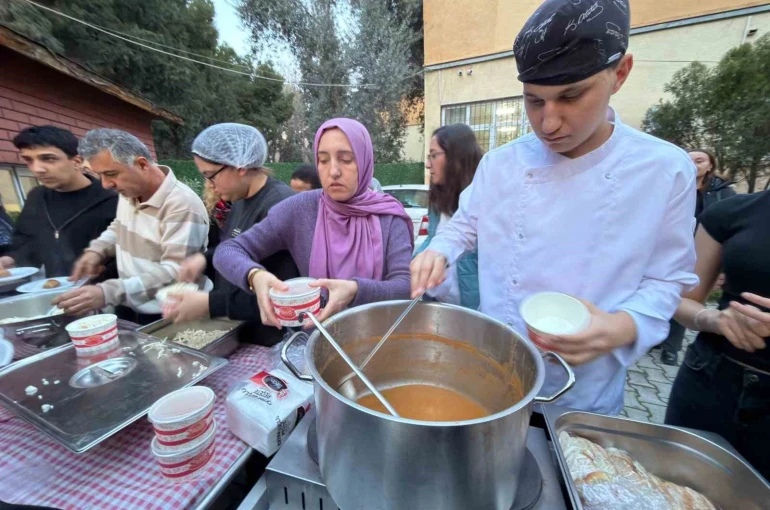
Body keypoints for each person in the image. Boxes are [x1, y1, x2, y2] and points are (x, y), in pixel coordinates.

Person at [410, 0, 698, 415]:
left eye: (570, 96)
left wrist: (623, 326)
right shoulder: (502, 163)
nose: (548, 123)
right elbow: (464, 226)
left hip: (584, 397)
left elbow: (667, 280)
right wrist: (440, 251)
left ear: (620, 73)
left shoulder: (665, 169)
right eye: (534, 101)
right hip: (490, 380)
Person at [214, 118, 413, 328]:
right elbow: (228, 250)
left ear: (364, 161)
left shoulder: (389, 216)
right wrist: (255, 276)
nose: (333, 171)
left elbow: (405, 286)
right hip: (317, 338)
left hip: (380, 339)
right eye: (323, 160)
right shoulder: (299, 210)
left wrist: (355, 291)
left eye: (346, 159)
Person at [52, 129, 211, 325]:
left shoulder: (182, 205)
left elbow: (175, 271)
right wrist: (98, 250)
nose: (105, 184)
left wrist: (109, 291)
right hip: (132, 303)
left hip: (169, 311)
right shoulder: (130, 190)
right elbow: (120, 225)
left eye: (111, 174)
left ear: (142, 164)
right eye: (99, 175)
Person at [664, 190, 770, 479]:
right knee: (674, 483)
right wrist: (714, 318)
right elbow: (681, 299)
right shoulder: (732, 212)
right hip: (710, 380)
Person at [163, 123, 299, 346]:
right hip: (237, 331)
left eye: (210, 176)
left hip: (268, 341)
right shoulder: (238, 199)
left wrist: (209, 304)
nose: (210, 186)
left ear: (240, 166)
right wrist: (203, 260)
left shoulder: (279, 205)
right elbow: (236, 247)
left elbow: (281, 290)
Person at [0, 126, 117, 278]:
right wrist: (11, 258)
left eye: (48, 158)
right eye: (28, 160)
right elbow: (26, 241)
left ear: (77, 161)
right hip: (54, 291)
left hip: (107, 293)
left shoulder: (112, 199)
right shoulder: (36, 197)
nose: (37, 169)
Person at [660, 148, 736, 365]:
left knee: (686, 296)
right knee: (661, 290)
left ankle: (671, 347)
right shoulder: (672, 185)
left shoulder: (724, 193)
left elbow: (727, 233)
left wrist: (721, 269)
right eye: (689, 160)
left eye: (700, 160)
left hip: (700, 254)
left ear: (710, 165)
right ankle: (656, 335)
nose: (694, 164)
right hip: (669, 250)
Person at [414, 124, 481, 309]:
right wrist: (417, 261)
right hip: (437, 302)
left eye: (433, 155)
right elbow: (432, 240)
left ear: (456, 158)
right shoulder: (438, 201)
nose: (428, 164)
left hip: (473, 312)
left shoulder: (484, 203)